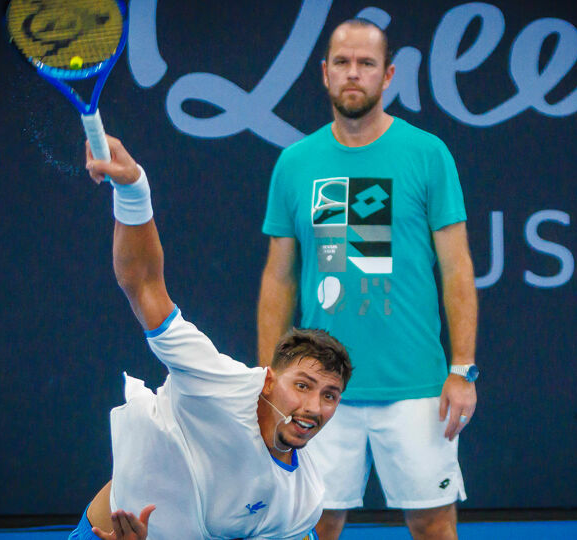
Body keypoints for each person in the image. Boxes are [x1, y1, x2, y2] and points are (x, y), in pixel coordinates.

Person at [257, 19, 479, 540]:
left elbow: (457, 269)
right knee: (312, 524)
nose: (353, 73)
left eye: (366, 63)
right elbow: (278, 277)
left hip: (417, 385)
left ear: (388, 74)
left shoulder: (428, 154)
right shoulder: (294, 164)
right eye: (342, 62)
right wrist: (269, 377)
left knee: (432, 523)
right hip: (317, 387)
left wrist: (462, 368)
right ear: (324, 73)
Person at [71, 135, 353, 540]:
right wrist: (134, 189)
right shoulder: (215, 378)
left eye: (330, 395)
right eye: (303, 385)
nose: (313, 406)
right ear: (269, 380)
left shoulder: (302, 499)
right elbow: (144, 284)